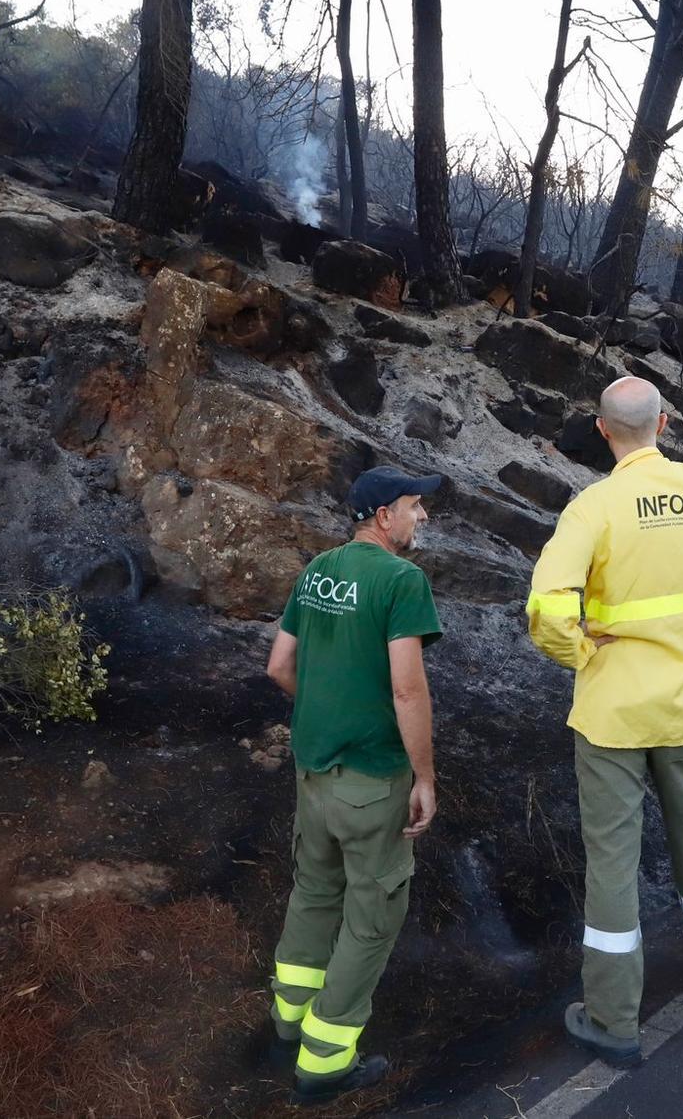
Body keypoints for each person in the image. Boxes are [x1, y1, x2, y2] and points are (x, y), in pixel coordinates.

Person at [525, 376, 683, 1065]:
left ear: (603, 431)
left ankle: (613, 1019)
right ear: (663, 424)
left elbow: (546, 609)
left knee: (613, 863)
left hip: (612, 716)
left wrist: (578, 651)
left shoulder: (592, 508)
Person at [264, 466, 443, 1104]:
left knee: (313, 892)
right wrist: (423, 774)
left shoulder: (317, 571)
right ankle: (325, 1061)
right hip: (373, 778)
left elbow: (280, 665)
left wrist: (325, 711)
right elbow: (406, 687)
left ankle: (288, 1021)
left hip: (313, 771)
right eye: (415, 506)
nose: (422, 517)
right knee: (370, 917)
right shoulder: (402, 580)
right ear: (381, 515)